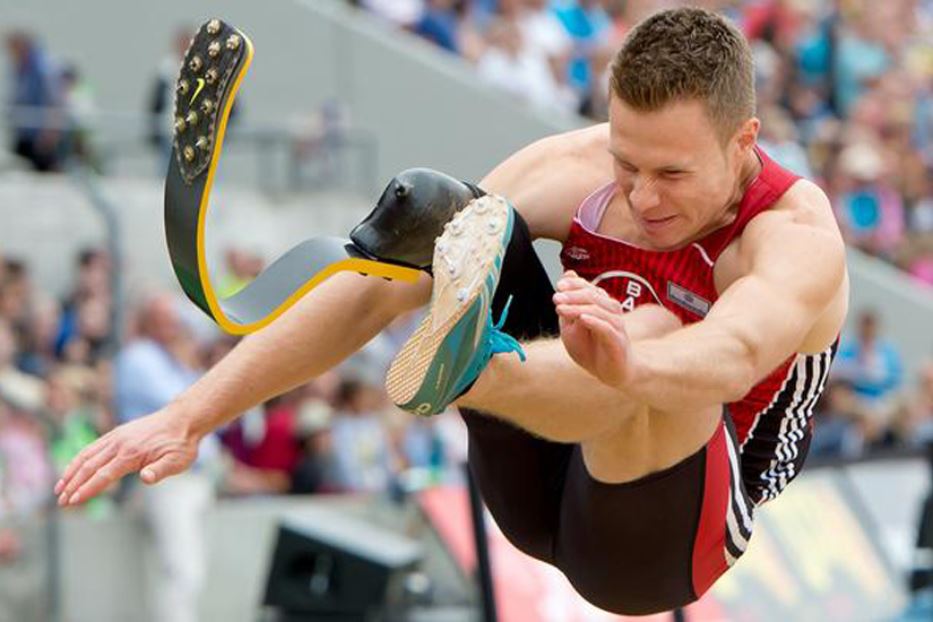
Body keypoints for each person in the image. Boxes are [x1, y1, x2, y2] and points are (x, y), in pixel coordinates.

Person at [55, 8, 848, 614]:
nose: (639, 196)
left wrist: (628, 361)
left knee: (649, 330)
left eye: (670, 174)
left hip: (659, 538)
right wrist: (192, 415)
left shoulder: (791, 237)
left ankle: (472, 367)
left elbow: (736, 352)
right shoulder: (574, 170)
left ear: (743, 139)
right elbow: (373, 289)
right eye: (625, 160)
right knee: (449, 213)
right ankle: (469, 359)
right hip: (532, 476)